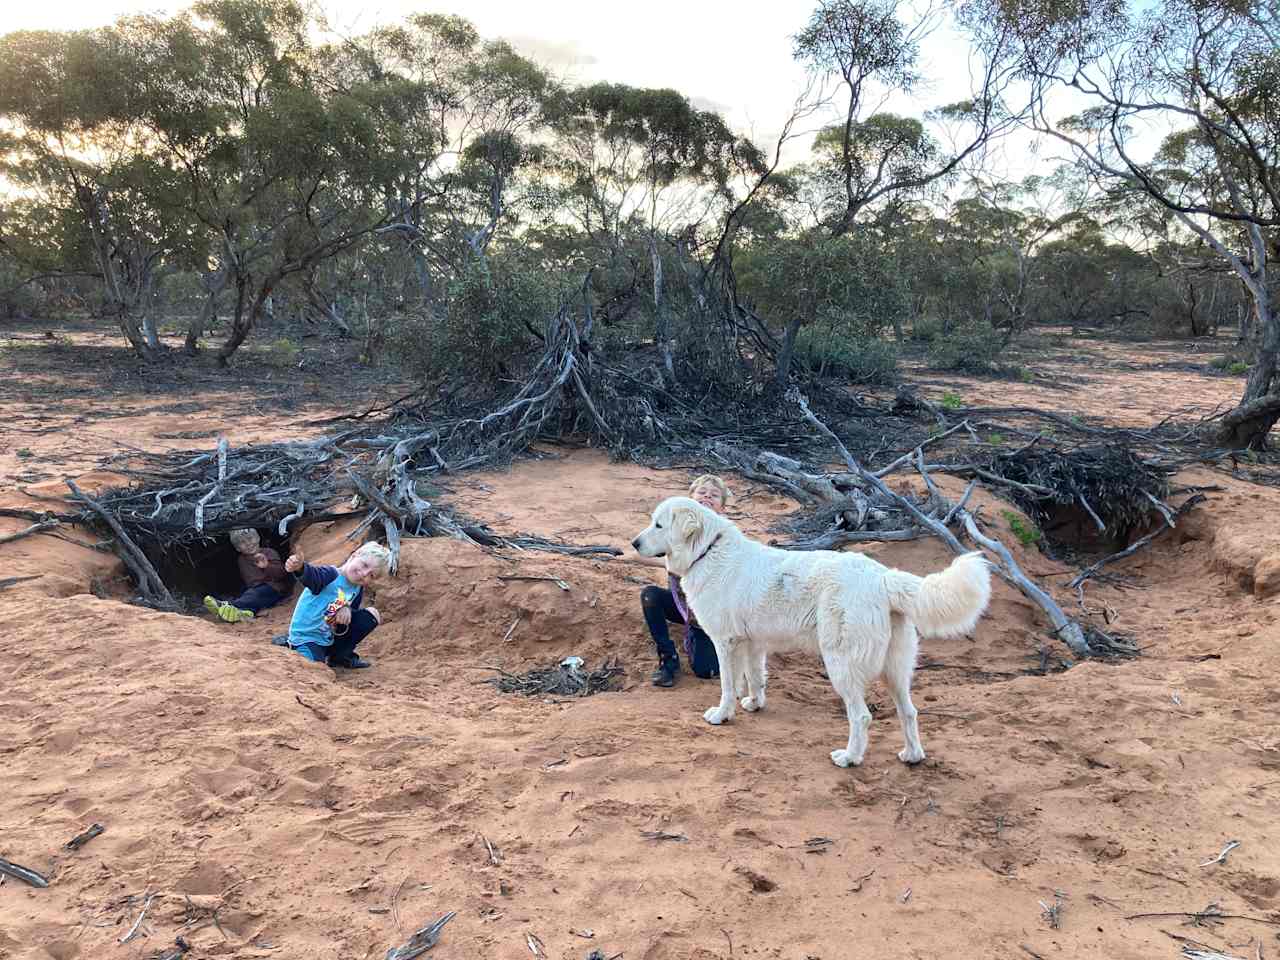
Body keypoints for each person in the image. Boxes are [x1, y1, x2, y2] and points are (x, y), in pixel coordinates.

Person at [639, 474, 732, 687]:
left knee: (706, 671)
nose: (707, 497)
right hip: (685, 607)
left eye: (714, 495)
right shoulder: (675, 529)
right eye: (702, 492)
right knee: (650, 596)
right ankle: (668, 659)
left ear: (722, 508)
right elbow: (647, 548)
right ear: (689, 499)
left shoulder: (724, 536)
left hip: (714, 617)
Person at [272, 542, 392, 669]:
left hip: (328, 637)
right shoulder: (330, 575)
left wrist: (346, 608)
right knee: (312, 667)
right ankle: (291, 643)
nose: (364, 574)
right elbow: (312, 576)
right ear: (354, 555)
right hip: (308, 638)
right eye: (364, 565)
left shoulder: (357, 588)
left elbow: (351, 617)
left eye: (371, 575)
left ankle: (340, 657)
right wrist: (300, 567)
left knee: (372, 615)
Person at [203, 528, 292, 623]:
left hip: (273, 589)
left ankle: (228, 606)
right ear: (237, 548)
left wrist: (267, 566)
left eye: (250, 538)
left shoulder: (268, 552)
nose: (248, 543)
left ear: (258, 538)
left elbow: (282, 574)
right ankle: (242, 613)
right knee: (249, 596)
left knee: (254, 595)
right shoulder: (241, 559)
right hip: (256, 590)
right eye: (242, 542)